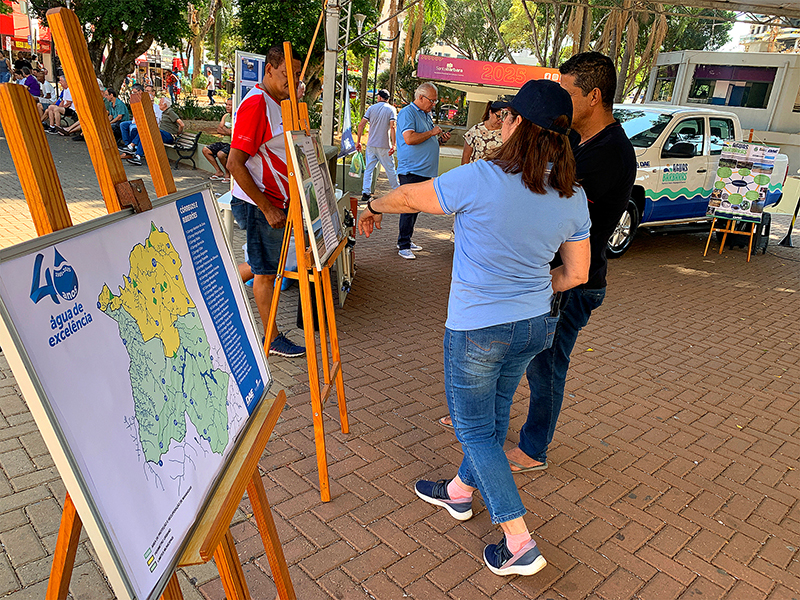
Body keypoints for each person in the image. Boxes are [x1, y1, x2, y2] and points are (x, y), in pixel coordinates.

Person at [357, 79, 591, 576]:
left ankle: (519, 541)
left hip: (478, 328)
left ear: (519, 125)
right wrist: (531, 283)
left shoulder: (481, 177)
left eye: (507, 117)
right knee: (496, 414)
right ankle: (461, 493)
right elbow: (577, 274)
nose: (502, 123)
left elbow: (410, 198)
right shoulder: (573, 196)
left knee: (474, 430)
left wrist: (371, 206)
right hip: (533, 324)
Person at [505, 52, 637, 473]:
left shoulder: (611, 153)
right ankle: (482, 417)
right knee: (513, 350)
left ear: (594, 96)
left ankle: (533, 449)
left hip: (574, 283)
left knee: (546, 365)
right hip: (553, 275)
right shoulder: (580, 141)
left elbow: (547, 203)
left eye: (567, 92)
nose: (559, 100)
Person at [227, 45, 305, 358]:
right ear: (269, 70)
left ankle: (224, 282)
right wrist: (268, 207)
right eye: (289, 74)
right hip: (260, 204)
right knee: (265, 273)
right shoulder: (258, 103)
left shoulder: (279, 102)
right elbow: (235, 163)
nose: (295, 80)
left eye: (298, 74)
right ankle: (271, 338)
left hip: (272, 202)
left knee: (264, 266)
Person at [394, 82, 451, 259]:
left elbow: (425, 139)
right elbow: (409, 139)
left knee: (415, 208)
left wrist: (440, 139)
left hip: (424, 170)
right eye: (432, 101)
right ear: (420, 97)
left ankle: (406, 239)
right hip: (412, 169)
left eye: (435, 101)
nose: (433, 104)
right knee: (409, 207)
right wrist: (432, 133)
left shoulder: (426, 114)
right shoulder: (407, 113)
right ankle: (403, 245)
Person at [355, 89, 399, 203]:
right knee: (390, 169)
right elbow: (393, 127)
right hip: (384, 144)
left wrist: (358, 141)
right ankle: (397, 191)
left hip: (371, 144)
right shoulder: (391, 109)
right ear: (387, 99)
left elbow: (361, 125)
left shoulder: (371, 108)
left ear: (379, 97)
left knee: (369, 169)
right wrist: (394, 144)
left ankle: (366, 193)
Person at [122, 95, 184, 166]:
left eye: (160, 103)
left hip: (168, 135)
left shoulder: (170, 112)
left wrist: (178, 133)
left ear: (165, 105)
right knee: (145, 133)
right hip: (161, 133)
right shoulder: (164, 112)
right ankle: (137, 156)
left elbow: (181, 124)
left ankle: (131, 147)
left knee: (147, 131)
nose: (158, 104)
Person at [461, 100, 506, 164]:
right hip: (476, 171)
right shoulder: (476, 130)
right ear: (490, 113)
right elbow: (466, 155)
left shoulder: (505, 132)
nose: (500, 120)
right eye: (498, 116)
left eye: (503, 118)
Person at [203, 97, 233, 181]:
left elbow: (232, 132)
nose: (227, 106)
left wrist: (223, 128)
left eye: (230, 105)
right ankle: (219, 171)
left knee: (221, 154)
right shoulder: (225, 116)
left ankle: (228, 173)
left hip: (231, 143)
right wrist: (227, 131)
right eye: (227, 104)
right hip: (224, 142)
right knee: (206, 150)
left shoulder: (236, 117)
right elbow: (218, 129)